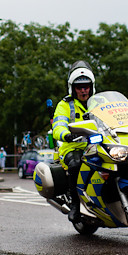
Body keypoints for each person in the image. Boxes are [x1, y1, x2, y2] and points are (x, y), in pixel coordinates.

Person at [52, 60, 95, 221]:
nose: (83, 90)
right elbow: (58, 125)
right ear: (73, 88)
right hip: (73, 147)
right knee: (76, 165)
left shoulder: (99, 102)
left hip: (95, 144)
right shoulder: (65, 105)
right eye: (79, 87)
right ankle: (76, 204)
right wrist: (65, 134)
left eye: (86, 86)